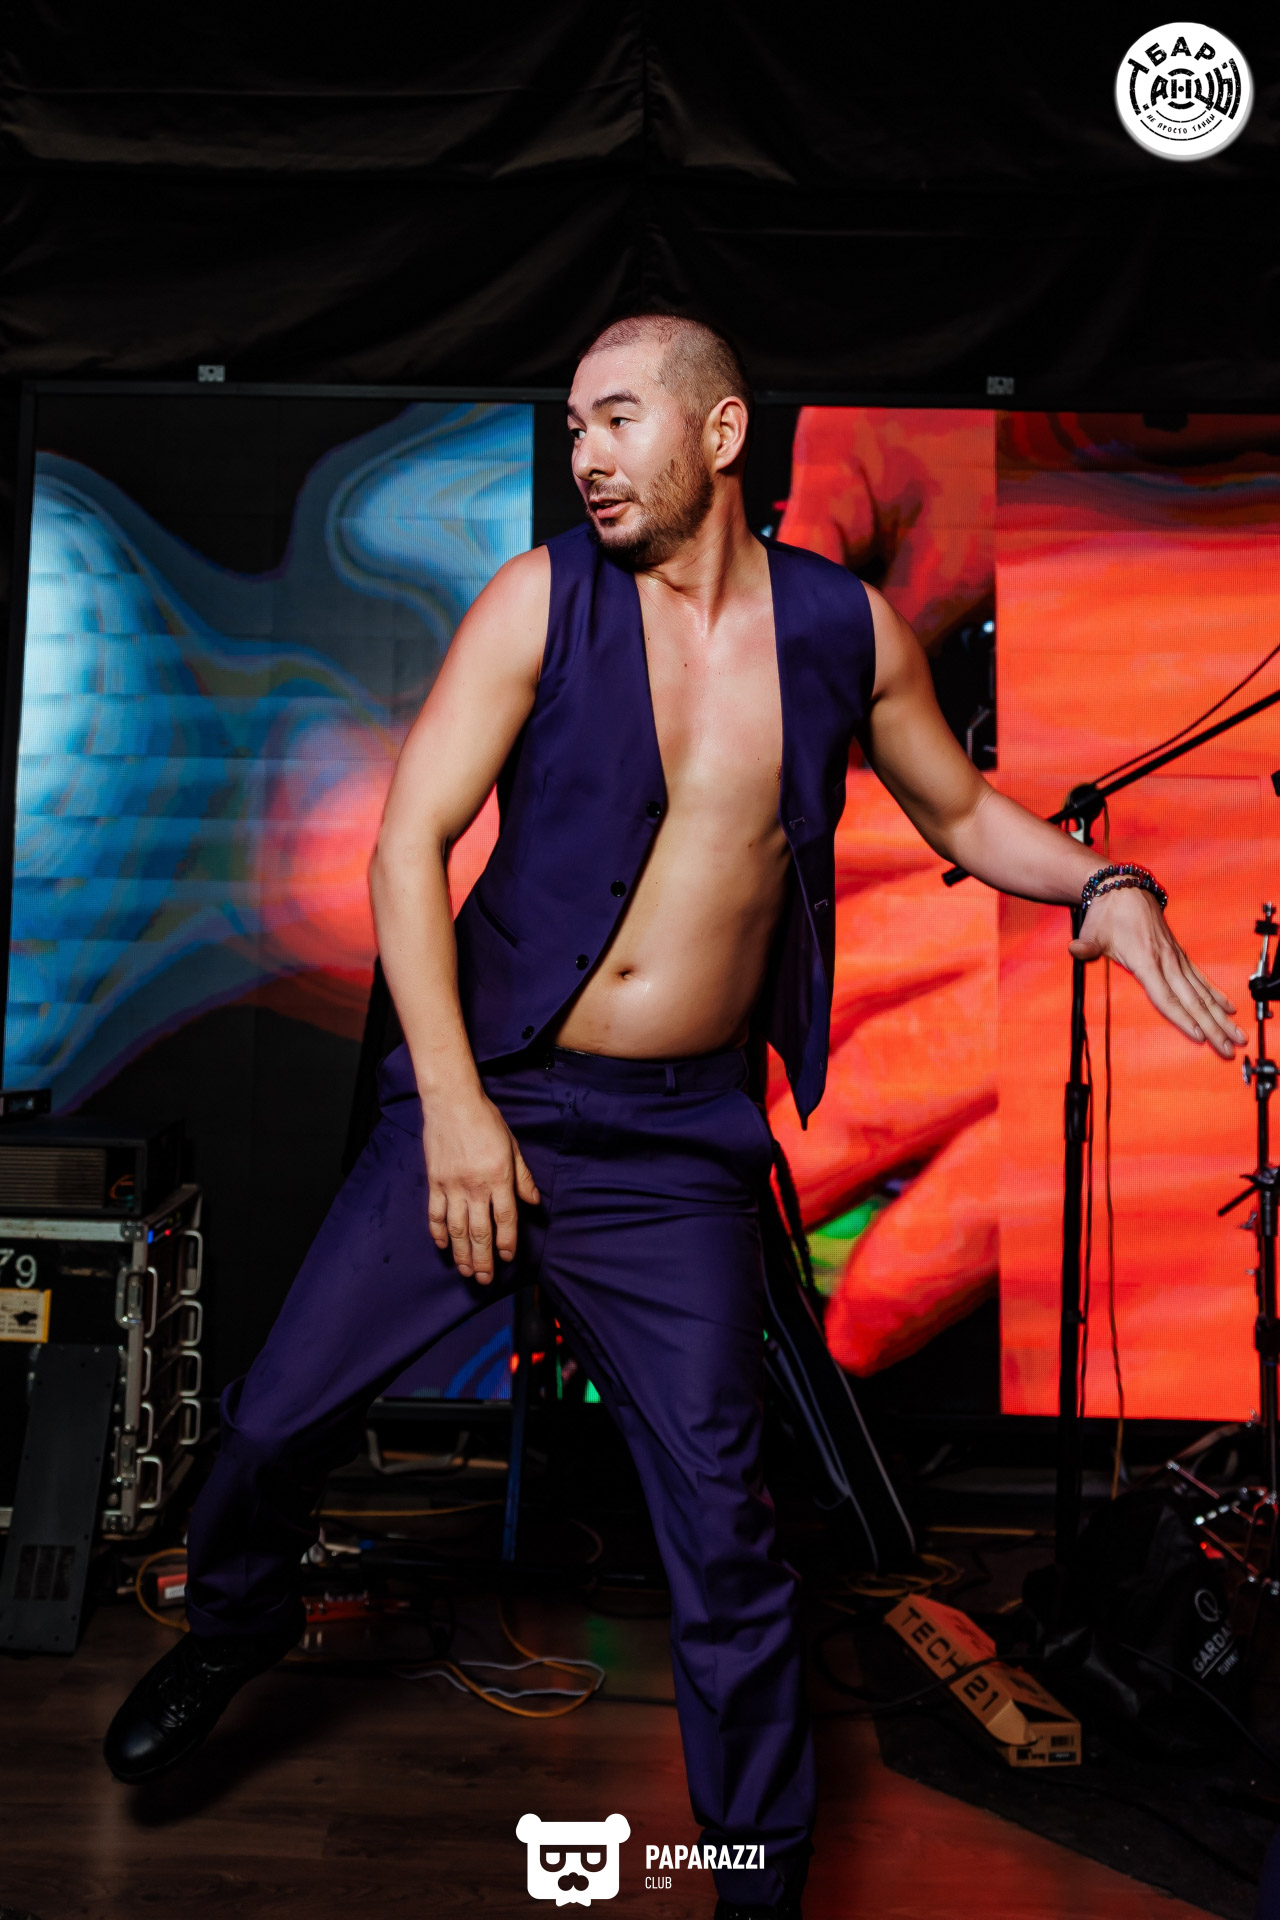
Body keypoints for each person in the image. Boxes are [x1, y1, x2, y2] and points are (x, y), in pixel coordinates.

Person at [102, 314, 1243, 1919]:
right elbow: (406, 843)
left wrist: (1103, 884)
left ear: (720, 433)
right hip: (489, 1098)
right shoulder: (538, 600)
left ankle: (754, 1879)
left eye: (619, 418)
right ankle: (235, 1622)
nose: (585, 453)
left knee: (724, 1532)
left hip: (675, 1148)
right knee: (275, 1425)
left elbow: (961, 810)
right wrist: (454, 1109)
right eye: (575, 424)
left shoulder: (844, 632)